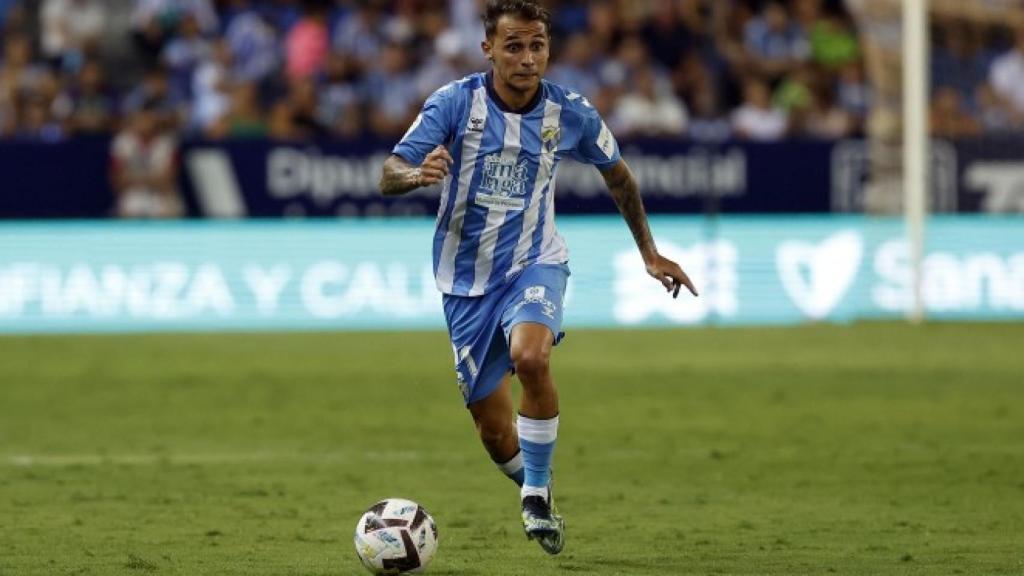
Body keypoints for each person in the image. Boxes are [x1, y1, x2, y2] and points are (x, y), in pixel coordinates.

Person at [378, 0, 697, 556]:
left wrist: (650, 253)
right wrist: (414, 174)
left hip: (535, 260)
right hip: (465, 282)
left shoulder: (570, 113)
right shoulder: (455, 103)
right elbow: (388, 172)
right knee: (494, 432)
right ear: (489, 49)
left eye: (537, 47)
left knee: (532, 356)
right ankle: (537, 482)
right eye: (514, 47)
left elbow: (618, 176)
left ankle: (533, 500)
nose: (528, 59)